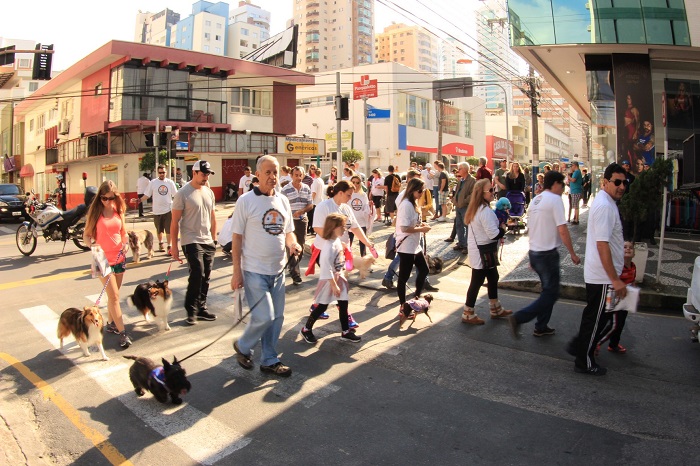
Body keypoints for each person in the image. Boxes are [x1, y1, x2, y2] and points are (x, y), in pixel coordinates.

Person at [231, 155, 301, 377]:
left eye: (276, 172)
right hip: (254, 271)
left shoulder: (282, 200)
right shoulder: (245, 201)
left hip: (277, 271)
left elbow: (288, 231)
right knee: (264, 316)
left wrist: (294, 244)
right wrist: (236, 272)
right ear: (257, 174)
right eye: (268, 172)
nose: (273, 177)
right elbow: (236, 238)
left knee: (277, 318)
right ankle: (243, 346)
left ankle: (269, 359)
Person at [569, 163, 628, 376]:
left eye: (624, 182)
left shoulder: (608, 202)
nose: (621, 186)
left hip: (604, 276)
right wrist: (615, 279)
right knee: (596, 319)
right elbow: (602, 245)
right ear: (605, 182)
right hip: (603, 276)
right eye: (617, 182)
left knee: (600, 318)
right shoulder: (604, 206)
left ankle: (579, 349)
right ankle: (583, 361)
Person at [508, 171, 581, 338]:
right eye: (562, 184)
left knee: (547, 291)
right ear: (555, 184)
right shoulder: (555, 200)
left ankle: (541, 326)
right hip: (547, 254)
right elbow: (562, 229)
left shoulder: (536, 200)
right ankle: (519, 318)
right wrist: (572, 253)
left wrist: (532, 254)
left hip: (536, 252)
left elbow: (532, 228)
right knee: (551, 293)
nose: (563, 188)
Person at [309, 181, 374, 326]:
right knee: (338, 285)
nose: (350, 198)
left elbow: (355, 228)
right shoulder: (323, 207)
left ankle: (317, 307)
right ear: (340, 193)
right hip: (325, 251)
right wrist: (337, 243)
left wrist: (367, 243)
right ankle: (344, 319)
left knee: (333, 285)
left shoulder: (346, 208)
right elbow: (318, 229)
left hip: (342, 252)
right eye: (349, 194)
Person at [83, 180, 132, 348]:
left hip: (119, 256)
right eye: (104, 198)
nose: (107, 201)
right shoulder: (95, 212)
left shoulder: (119, 210)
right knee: (115, 297)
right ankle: (123, 333)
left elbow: (123, 232)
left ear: (115, 196)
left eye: (111, 198)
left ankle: (111, 323)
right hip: (101, 258)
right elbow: (86, 236)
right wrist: (93, 245)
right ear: (99, 198)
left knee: (114, 295)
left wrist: (125, 243)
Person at [300, 213, 361, 344]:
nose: (345, 229)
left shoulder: (336, 241)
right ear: (334, 227)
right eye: (342, 226)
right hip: (330, 281)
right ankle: (306, 329)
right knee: (322, 306)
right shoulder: (328, 246)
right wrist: (333, 284)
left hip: (339, 277)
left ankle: (345, 331)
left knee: (343, 304)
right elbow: (326, 267)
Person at [170, 160, 218, 325]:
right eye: (203, 174)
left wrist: (214, 238)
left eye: (208, 174)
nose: (206, 177)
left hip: (207, 240)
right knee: (197, 272)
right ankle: (191, 310)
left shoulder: (209, 192)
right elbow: (174, 221)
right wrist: (173, 246)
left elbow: (212, 216)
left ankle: (201, 308)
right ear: (194, 173)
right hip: (190, 239)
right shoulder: (183, 193)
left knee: (206, 277)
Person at [462, 179, 512, 324]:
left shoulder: (478, 208)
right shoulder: (485, 211)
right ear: (481, 193)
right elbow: (494, 234)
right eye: (490, 190)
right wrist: (503, 228)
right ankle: (468, 313)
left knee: (493, 276)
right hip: (482, 252)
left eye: (493, 189)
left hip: (482, 250)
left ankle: (495, 309)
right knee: (477, 281)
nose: (493, 192)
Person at [395, 178, 432, 308]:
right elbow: (404, 228)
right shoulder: (406, 205)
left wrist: (421, 225)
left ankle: (416, 297)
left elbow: (411, 223)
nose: (422, 193)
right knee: (404, 277)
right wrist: (421, 229)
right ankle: (403, 305)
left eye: (423, 190)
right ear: (413, 190)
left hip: (414, 245)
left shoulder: (412, 203)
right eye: (420, 191)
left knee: (424, 269)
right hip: (406, 246)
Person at [596, 240, 635, 355]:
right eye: (625, 247)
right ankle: (597, 343)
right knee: (614, 324)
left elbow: (632, 282)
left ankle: (613, 344)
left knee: (620, 323)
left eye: (630, 248)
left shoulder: (633, 267)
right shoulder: (618, 267)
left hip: (625, 299)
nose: (628, 249)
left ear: (634, 253)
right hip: (615, 298)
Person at [281, 166, 313, 285]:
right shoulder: (285, 189)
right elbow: (281, 206)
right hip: (289, 222)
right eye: (296, 175)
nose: (298, 177)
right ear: (291, 175)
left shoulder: (306, 188)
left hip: (302, 221)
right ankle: (296, 274)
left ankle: (293, 266)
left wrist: (301, 211)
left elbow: (310, 205)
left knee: (300, 246)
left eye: (301, 175)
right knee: (292, 246)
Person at [140, 164, 178, 254]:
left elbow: (176, 195)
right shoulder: (153, 183)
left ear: (166, 172)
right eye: (160, 172)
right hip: (157, 211)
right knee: (159, 229)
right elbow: (147, 195)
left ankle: (169, 246)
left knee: (169, 229)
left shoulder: (170, 182)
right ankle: (161, 243)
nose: (162, 174)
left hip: (168, 210)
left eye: (163, 172)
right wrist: (139, 200)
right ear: (158, 173)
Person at [452, 162, 475, 253]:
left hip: (466, 206)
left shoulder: (472, 180)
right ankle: (461, 243)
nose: (458, 170)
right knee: (459, 225)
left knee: (467, 226)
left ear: (465, 169)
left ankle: (467, 245)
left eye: (460, 168)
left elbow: (473, 194)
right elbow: (457, 191)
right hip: (458, 206)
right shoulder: (461, 180)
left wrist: (464, 201)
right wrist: (454, 200)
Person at [348, 175, 372, 257]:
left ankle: (364, 262)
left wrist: (367, 210)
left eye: (357, 182)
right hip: (350, 222)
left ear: (360, 183)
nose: (355, 184)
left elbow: (366, 207)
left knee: (363, 243)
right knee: (348, 243)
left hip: (361, 222)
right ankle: (346, 262)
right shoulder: (348, 194)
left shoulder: (363, 195)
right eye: (353, 182)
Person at [309, 168, 325, 234]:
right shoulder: (321, 180)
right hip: (320, 200)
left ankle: (313, 229)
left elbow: (314, 192)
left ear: (314, 173)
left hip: (315, 202)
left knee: (313, 216)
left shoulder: (315, 181)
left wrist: (311, 201)